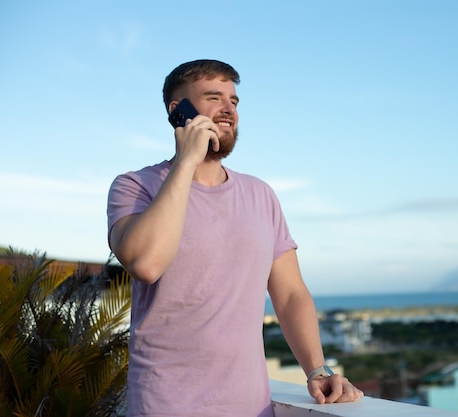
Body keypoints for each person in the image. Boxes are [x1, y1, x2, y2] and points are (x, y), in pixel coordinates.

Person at [107, 59, 363, 417]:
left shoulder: (261, 194)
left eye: (234, 101)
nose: (228, 110)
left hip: (251, 407)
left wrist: (317, 370)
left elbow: (289, 294)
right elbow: (146, 264)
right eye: (214, 98)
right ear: (177, 110)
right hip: (166, 405)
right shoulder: (135, 187)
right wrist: (186, 162)